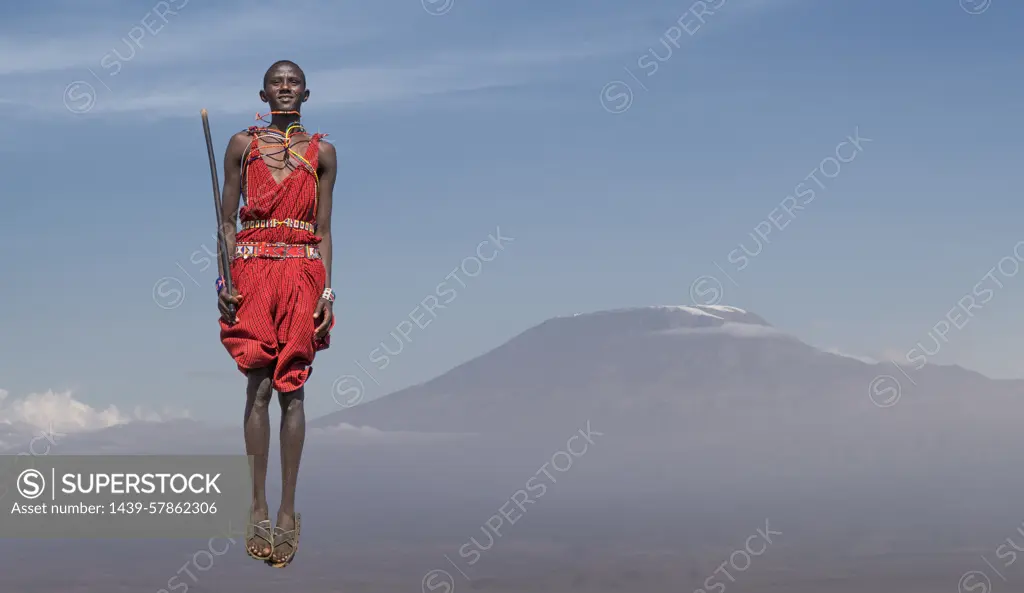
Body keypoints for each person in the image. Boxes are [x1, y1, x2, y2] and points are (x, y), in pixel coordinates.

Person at [214, 59, 337, 567]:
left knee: (294, 387)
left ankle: (287, 511)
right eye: (276, 83)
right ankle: (258, 505)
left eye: (293, 83)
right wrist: (223, 280)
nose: (284, 89)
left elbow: (325, 228)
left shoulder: (323, 153)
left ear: (306, 94)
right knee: (259, 386)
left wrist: (326, 293)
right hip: (253, 269)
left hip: (302, 270)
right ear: (263, 94)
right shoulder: (241, 147)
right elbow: (225, 222)